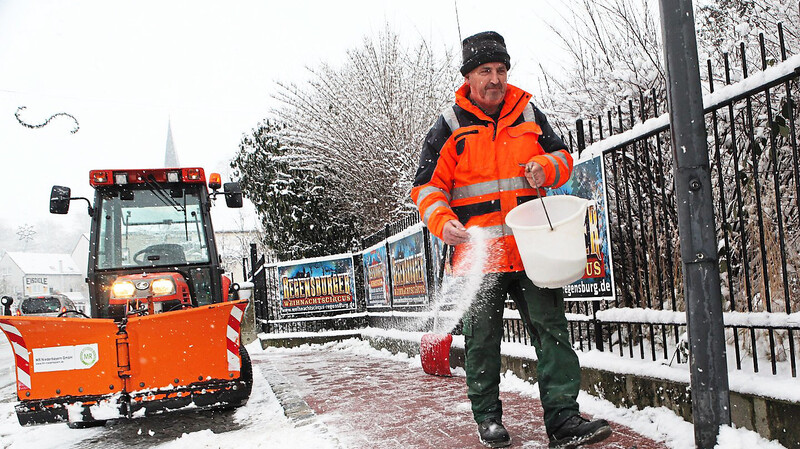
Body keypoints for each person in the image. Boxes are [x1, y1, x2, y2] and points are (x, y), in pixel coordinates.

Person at [411, 31, 612, 449]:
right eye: (486, 70)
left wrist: (545, 166)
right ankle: (488, 420)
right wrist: (441, 220)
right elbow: (427, 187)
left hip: (532, 251)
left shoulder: (529, 114)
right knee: (482, 343)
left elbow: (562, 160)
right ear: (468, 77)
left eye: (501, 70)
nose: (495, 79)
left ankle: (563, 421)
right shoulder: (449, 125)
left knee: (552, 333)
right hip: (477, 256)